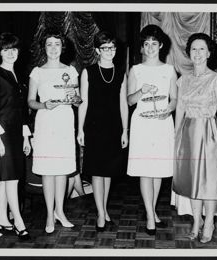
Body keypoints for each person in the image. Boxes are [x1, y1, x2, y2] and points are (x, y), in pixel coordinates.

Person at [172, 33, 217, 243]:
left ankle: (210, 222)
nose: (197, 53)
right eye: (194, 49)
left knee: (209, 181)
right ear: (189, 53)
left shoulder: (216, 79)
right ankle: (197, 221)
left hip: (208, 132)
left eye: (201, 49)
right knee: (192, 181)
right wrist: (176, 134)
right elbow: (180, 108)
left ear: (209, 52)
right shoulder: (184, 79)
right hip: (188, 132)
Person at [127, 24, 177, 236]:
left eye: (154, 44)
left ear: (161, 46)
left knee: (158, 171)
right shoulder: (136, 70)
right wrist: (141, 90)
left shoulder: (169, 70)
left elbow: (174, 99)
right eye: (146, 44)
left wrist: (168, 110)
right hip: (142, 123)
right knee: (145, 170)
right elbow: (129, 101)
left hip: (162, 122)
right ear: (142, 47)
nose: (150, 48)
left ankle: (152, 210)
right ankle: (150, 215)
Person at [28, 28, 79, 234]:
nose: (53, 48)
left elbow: (77, 101)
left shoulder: (71, 71)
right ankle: (50, 214)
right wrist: (44, 105)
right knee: (49, 171)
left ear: (62, 47)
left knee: (63, 171)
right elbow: (31, 102)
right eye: (49, 44)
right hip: (46, 124)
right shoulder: (37, 72)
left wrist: (73, 96)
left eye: (57, 44)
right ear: (44, 48)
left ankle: (60, 211)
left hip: (65, 123)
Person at [77, 31, 128, 232]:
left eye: (112, 47)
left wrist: (125, 130)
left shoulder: (121, 72)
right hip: (94, 127)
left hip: (114, 127)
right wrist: (80, 129)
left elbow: (123, 103)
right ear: (98, 50)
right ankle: (100, 213)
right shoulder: (88, 72)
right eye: (105, 48)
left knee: (108, 173)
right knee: (98, 173)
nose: (110, 51)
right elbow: (84, 102)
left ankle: (104, 209)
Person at [0, 32, 31, 240]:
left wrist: (25, 136)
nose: (11, 53)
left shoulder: (17, 75)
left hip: (15, 133)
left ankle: (2, 218)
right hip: (2, 134)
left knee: (5, 180)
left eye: (14, 49)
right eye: (6, 50)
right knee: (11, 179)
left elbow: (21, 110)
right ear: (0, 53)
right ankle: (18, 222)